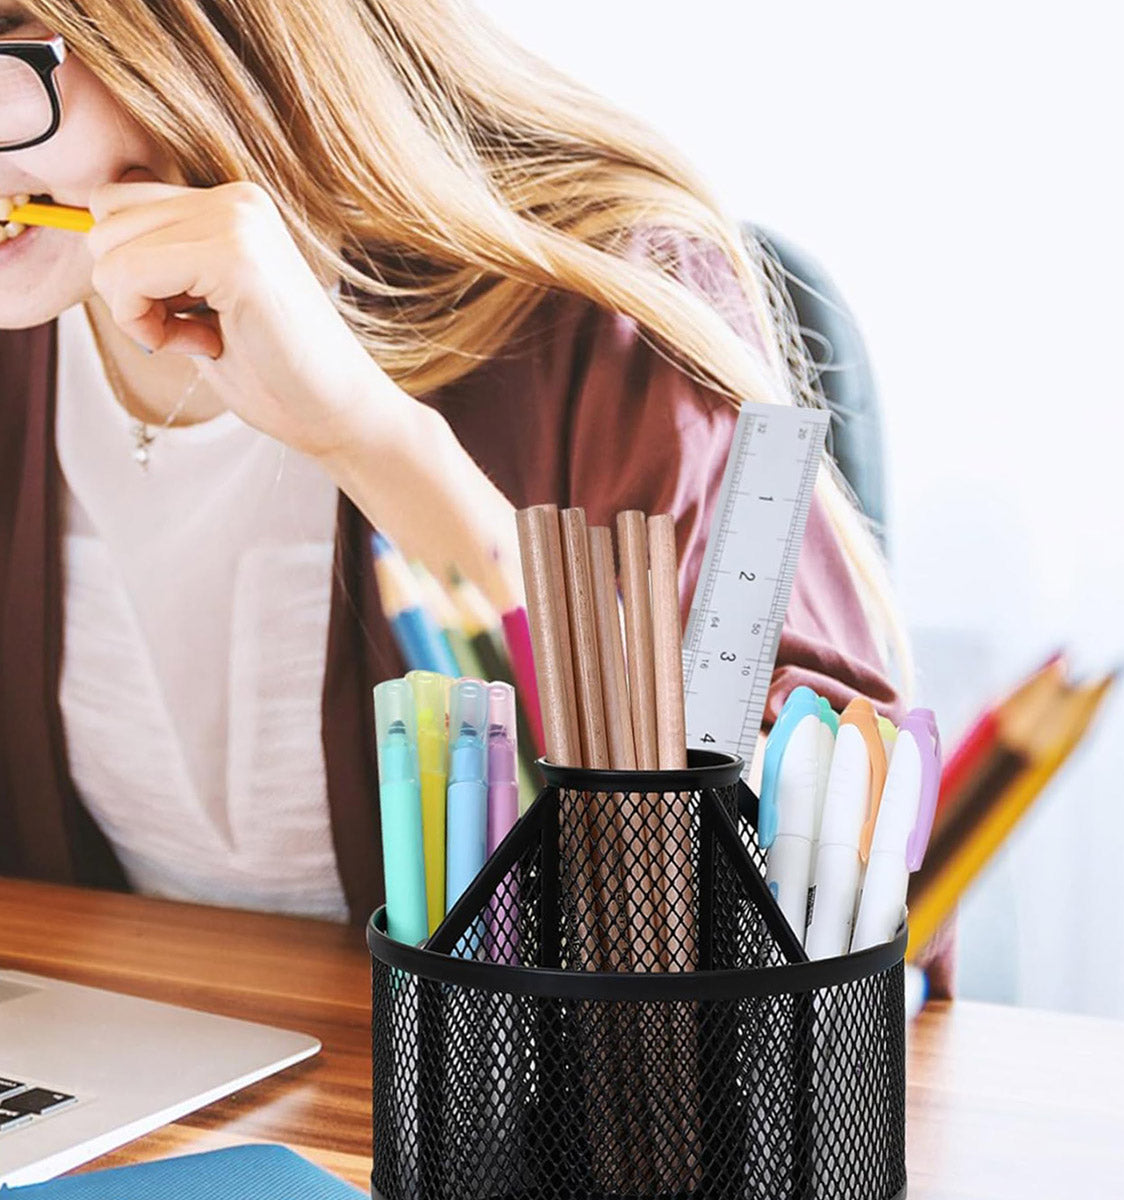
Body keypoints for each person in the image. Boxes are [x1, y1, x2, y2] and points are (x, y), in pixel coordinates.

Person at [0, 0, 949, 987]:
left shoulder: (606, 300)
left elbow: (828, 906)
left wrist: (371, 439)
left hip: (519, 1080)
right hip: (135, 1056)